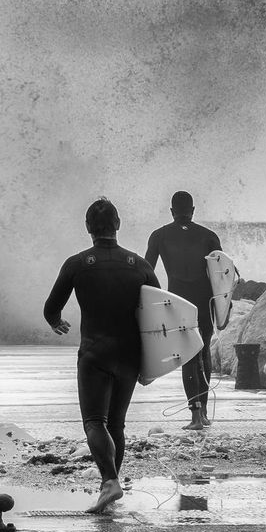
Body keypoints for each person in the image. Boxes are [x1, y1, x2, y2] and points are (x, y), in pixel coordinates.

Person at [44, 197, 159, 514]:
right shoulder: (141, 265)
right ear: (118, 225)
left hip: (95, 353)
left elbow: (51, 308)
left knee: (95, 422)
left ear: (87, 228)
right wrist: (153, 362)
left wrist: (57, 323)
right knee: (117, 425)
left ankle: (109, 481)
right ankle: (110, 486)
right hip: (130, 355)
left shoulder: (77, 264)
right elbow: (160, 315)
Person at [144, 190, 223, 430]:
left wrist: (154, 306)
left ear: (171, 211)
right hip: (205, 302)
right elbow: (223, 275)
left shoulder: (159, 236)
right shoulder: (209, 236)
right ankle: (205, 413)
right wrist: (223, 311)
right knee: (203, 352)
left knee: (187, 355)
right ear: (193, 210)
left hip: (178, 302)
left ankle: (195, 416)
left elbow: (147, 273)